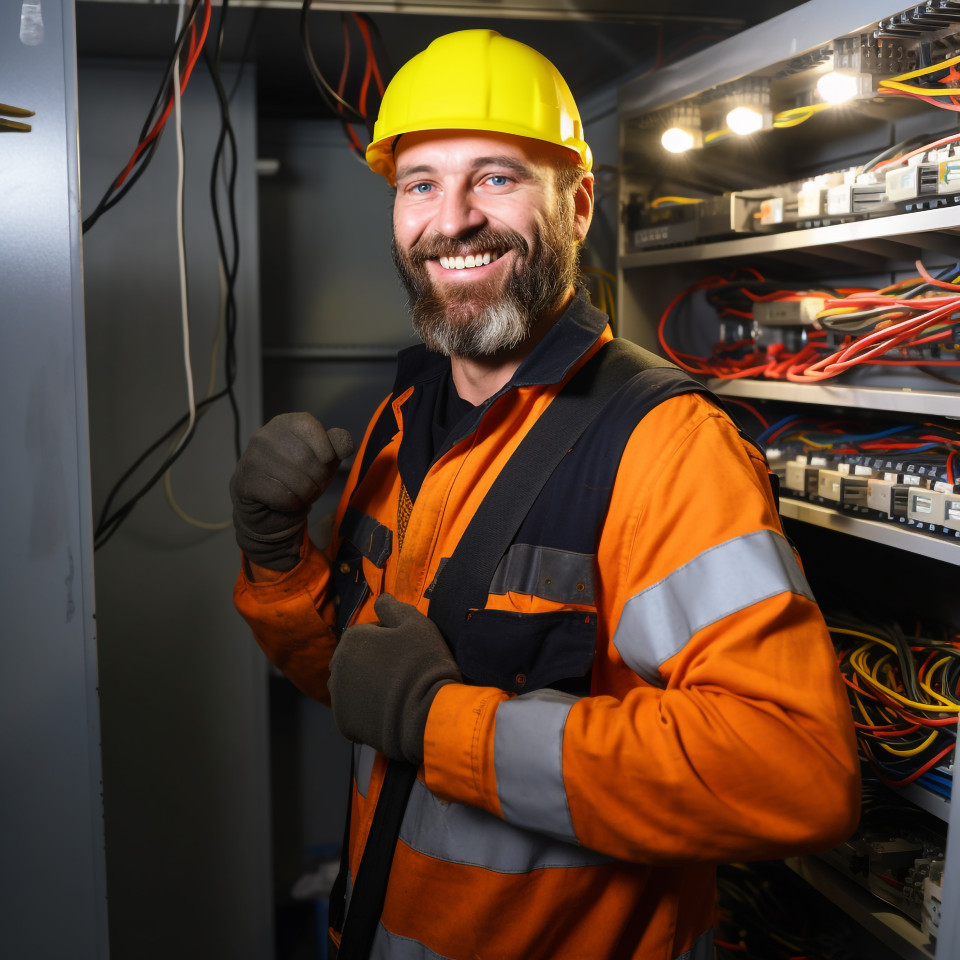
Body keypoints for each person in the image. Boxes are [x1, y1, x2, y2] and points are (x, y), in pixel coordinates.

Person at [230, 29, 860, 960]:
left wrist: (443, 722)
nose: (454, 219)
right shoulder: (402, 423)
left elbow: (793, 772)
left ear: (577, 204)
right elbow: (363, 686)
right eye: (420, 184)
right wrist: (280, 560)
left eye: (497, 177)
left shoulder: (661, 448)